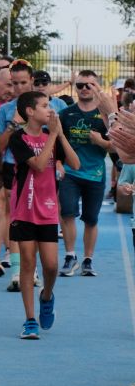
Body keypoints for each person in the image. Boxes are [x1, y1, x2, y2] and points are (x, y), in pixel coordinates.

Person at [8, 91, 78, 339]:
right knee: (28, 263)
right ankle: (29, 320)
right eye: (45, 106)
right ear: (30, 111)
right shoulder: (18, 138)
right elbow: (37, 165)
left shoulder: (52, 136)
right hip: (24, 209)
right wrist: (53, 138)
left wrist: (58, 136)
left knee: (50, 266)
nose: (51, 110)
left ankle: (46, 296)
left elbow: (75, 164)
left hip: (48, 210)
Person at [57, 70, 114, 278]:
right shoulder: (67, 113)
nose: (84, 89)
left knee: (91, 219)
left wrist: (100, 142)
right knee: (67, 213)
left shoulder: (106, 115)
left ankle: (88, 260)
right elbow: (56, 140)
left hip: (95, 174)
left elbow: (117, 147)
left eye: (89, 85)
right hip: (71, 173)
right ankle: (70, 256)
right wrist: (58, 163)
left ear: (97, 87)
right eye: (80, 85)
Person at [0, 60, 37, 288]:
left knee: (37, 219)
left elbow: (55, 140)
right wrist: (13, 125)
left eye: (23, 82)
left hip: (41, 169)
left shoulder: (46, 106)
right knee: (16, 218)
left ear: (32, 81)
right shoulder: (6, 110)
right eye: (14, 83)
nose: (19, 88)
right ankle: (19, 272)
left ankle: (33, 268)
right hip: (14, 167)